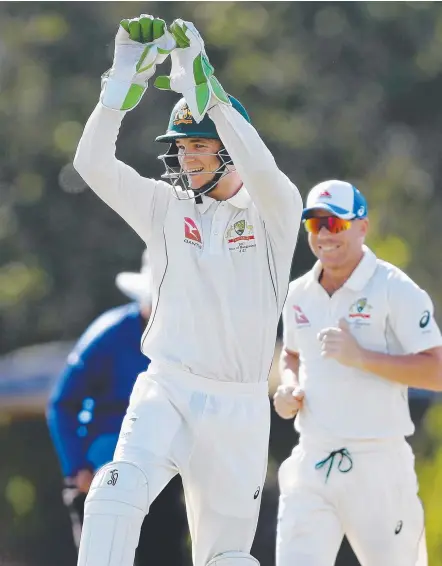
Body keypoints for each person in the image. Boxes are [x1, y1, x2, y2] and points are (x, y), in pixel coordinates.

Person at [73, 14, 302, 566]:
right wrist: (117, 91)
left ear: (230, 146)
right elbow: (91, 163)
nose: (188, 156)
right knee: (115, 491)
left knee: (228, 558)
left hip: (240, 405)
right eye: (182, 146)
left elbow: (262, 166)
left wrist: (208, 85)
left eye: (201, 143)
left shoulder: (277, 213)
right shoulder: (165, 207)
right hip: (168, 386)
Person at [273, 179, 442, 566]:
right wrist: (289, 387)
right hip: (313, 462)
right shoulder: (298, 292)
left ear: (362, 226)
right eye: (316, 225)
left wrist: (361, 357)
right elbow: (293, 356)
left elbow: (437, 371)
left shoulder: (394, 288)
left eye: (337, 224)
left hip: (379, 466)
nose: (325, 235)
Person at [47, 250, 189, 566]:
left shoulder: (185, 338)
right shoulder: (108, 336)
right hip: (103, 471)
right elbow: (62, 404)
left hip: (160, 477)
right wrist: (77, 468)